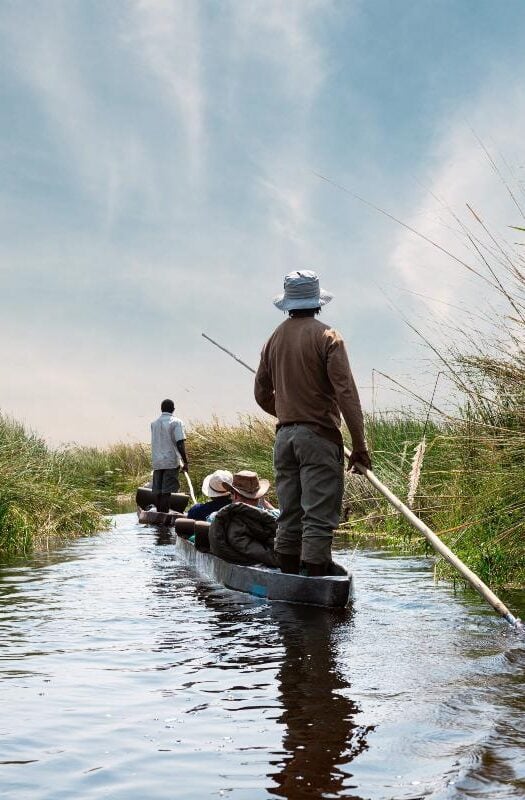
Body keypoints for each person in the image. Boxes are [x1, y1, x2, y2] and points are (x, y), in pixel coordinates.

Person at [254, 270, 372, 576]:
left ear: (289, 303)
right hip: (319, 438)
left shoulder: (273, 340)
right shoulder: (329, 337)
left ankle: (289, 579)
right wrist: (359, 447)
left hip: (284, 439)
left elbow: (261, 393)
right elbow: (347, 395)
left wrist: (288, 413)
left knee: (290, 513)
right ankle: (316, 577)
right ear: (317, 301)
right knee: (318, 516)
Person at [208, 470, 279, 566]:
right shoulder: (276, 516)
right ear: (259, 495)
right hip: (285, 558)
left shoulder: (218, 518)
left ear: (235, 495)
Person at [150, 399, 189, 513]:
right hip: (171, 461)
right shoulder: (176, 422)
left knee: (158, 491)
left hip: (157, 462)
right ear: (173, 409)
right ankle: (164, 516)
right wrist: (186, 462)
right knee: (166, 492)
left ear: (161, 409)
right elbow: (180, 443)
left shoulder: (154, 424)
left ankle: (158, 515)